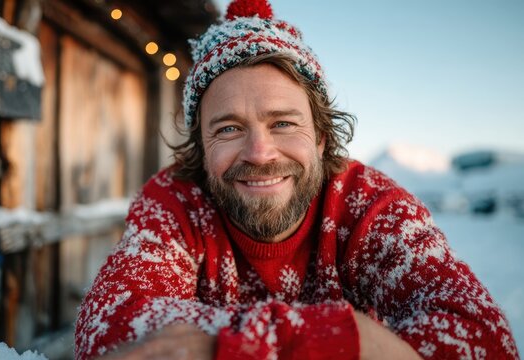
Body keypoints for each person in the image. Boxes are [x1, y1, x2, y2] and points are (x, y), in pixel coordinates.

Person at [75, 0, 519, 358]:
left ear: (322, 138)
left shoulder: (371, 206)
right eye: (228, 128)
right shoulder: (174, 202)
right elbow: (110, 328)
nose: (259, 153)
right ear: (201, 148)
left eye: (283, 123)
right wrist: (357, 342)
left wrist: (227, 347)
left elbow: (483, 340)